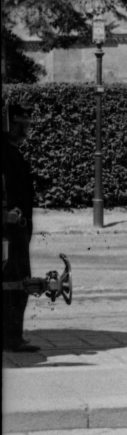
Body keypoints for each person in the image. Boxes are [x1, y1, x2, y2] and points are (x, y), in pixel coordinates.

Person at [2, 121, 36, 353]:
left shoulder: (11, 153)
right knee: (16, 283)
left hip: (16, 228)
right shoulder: (6, 154)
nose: (25, 129)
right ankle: (12, 338)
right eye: (19, 125)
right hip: (10, 230)